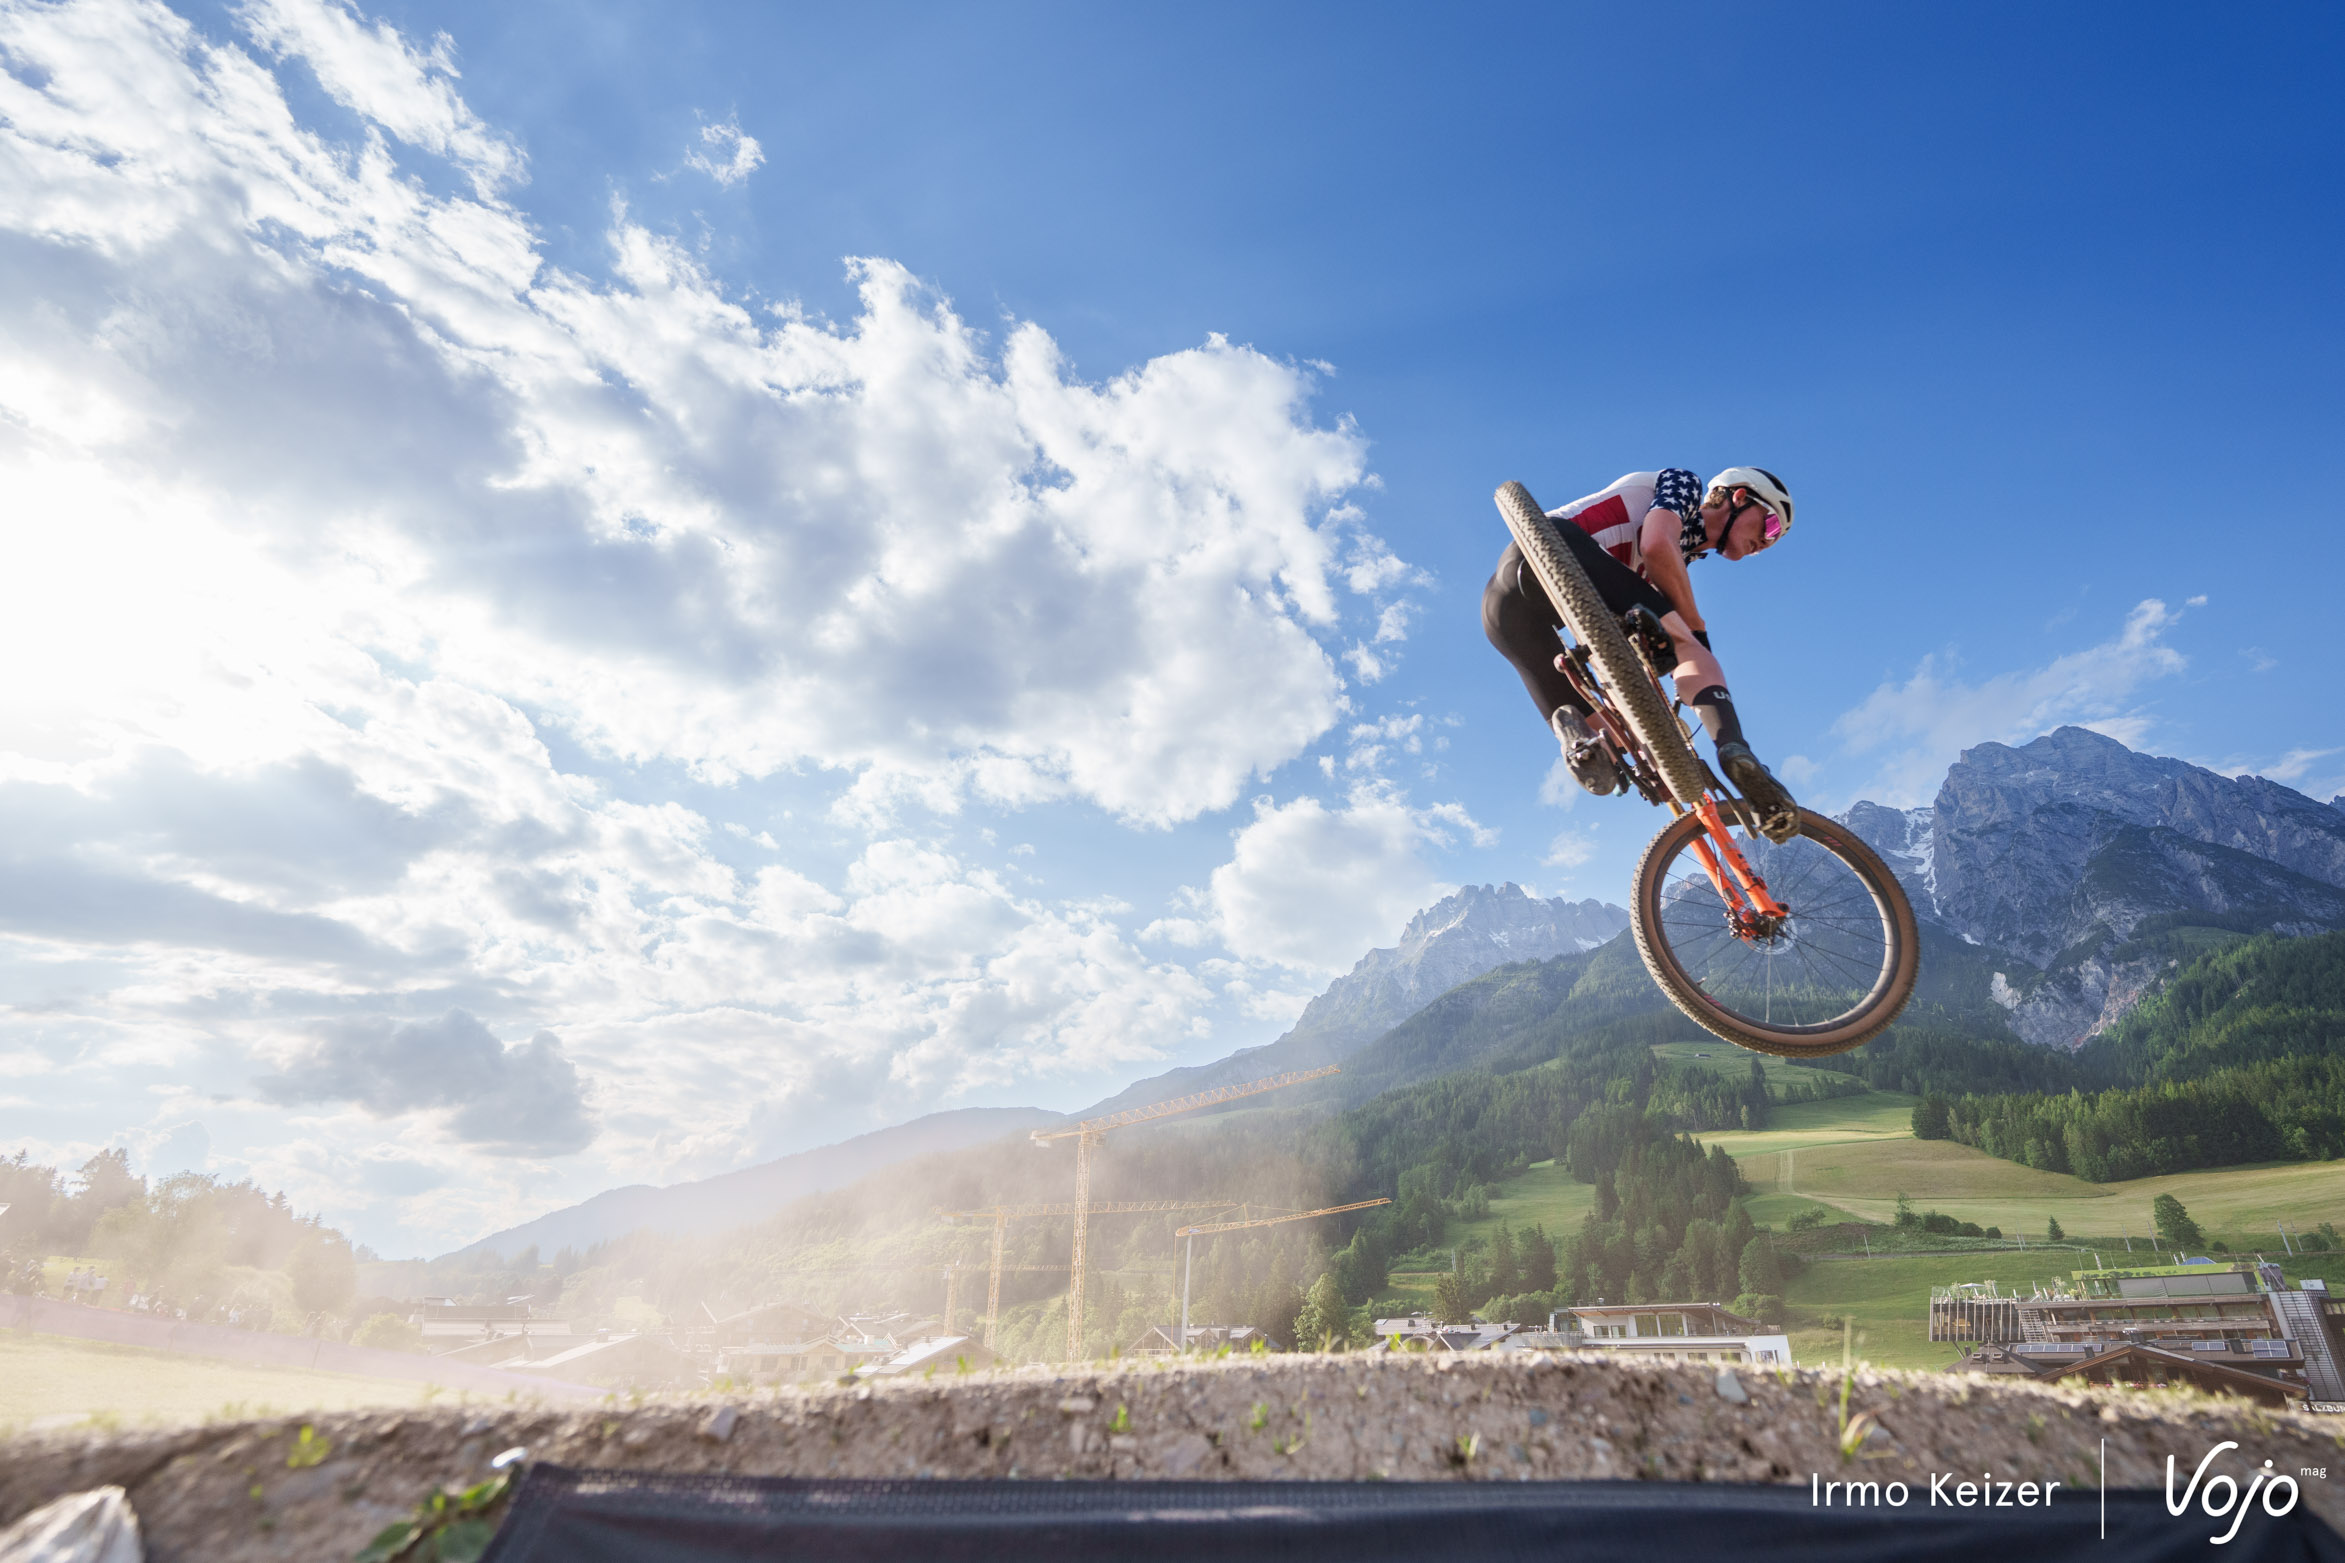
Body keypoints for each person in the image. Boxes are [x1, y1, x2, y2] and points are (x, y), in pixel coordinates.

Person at [1482, 466, 1801, 841]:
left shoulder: (1674, 565)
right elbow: (1655, 545)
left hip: (1506, 612)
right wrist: (1694, 630)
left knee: (1613, 741)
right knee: (1690, 646)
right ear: (1740, 496)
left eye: (1774, 540)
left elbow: (1620, 653)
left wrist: (1659, 747)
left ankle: (1579, 742)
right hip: (1553, 543)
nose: (1766, 542)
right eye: (1771, 526)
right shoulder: (1683, 484)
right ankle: (1735, 749)